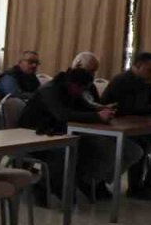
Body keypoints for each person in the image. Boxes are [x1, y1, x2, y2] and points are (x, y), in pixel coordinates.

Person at [20, 68, 143, 203]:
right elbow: (62, 115)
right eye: (82, 88)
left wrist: (101, 109)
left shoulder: (72, 88)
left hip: (64, 130)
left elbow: (83, 106)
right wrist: (96, 116)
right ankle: (49, 186)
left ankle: (91, 180)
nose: (82, 92)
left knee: (129, 150)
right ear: (72, 84)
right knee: (101, 149)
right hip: (38, 133)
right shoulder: (49, 90)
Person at [102, 52, 151, 199]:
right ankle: (134, 187)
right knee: (140, 144)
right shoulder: (121, 81)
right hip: (116, 128)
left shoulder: (147, 83)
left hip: (137, 127)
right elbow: (124, 108)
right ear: (137, 65)